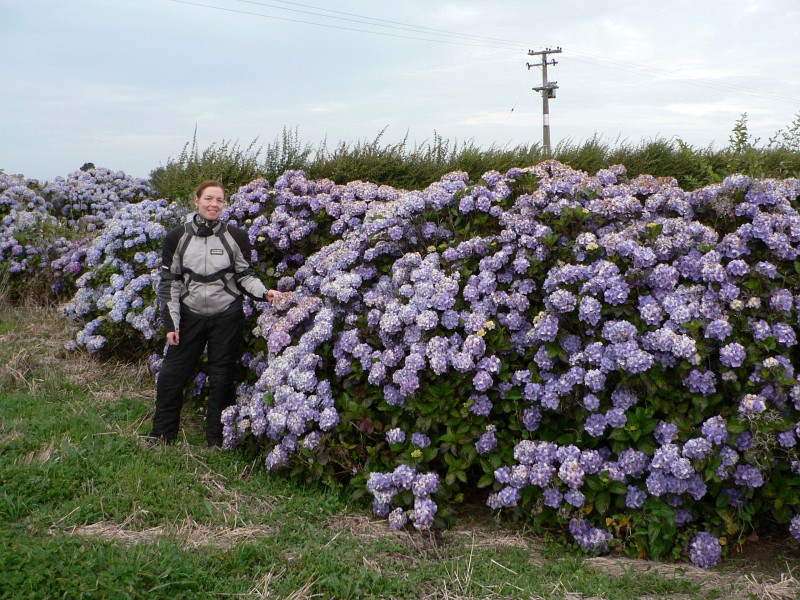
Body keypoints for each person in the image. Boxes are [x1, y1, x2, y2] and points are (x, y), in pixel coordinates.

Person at [143, 180, 281, 448]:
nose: (213, 204)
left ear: (224, 205)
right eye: (208, 199)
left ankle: (217, 441)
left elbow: (245, 275)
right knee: (172, 375)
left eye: (219, 200)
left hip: (226, 315)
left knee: (221, 377)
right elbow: (170, 283)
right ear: (196, 200)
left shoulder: (236, 236)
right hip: (189, 314)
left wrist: (266, 293)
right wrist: (171, 324)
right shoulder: (177, 237)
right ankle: (162, 436)